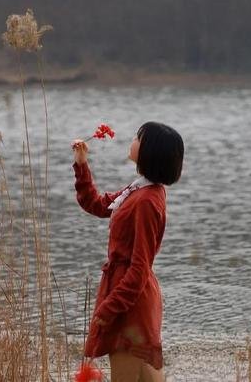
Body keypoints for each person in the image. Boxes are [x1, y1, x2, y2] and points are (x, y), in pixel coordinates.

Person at [71, 121, 184, 382]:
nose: (132, 140)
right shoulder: (140, 189)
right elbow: (96, 204)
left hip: (130, 302)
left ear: (150, 151)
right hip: (129, 295)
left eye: (138, 138)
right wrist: (81, 164)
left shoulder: (146, 200)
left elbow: (139, 267)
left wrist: (109, 308)